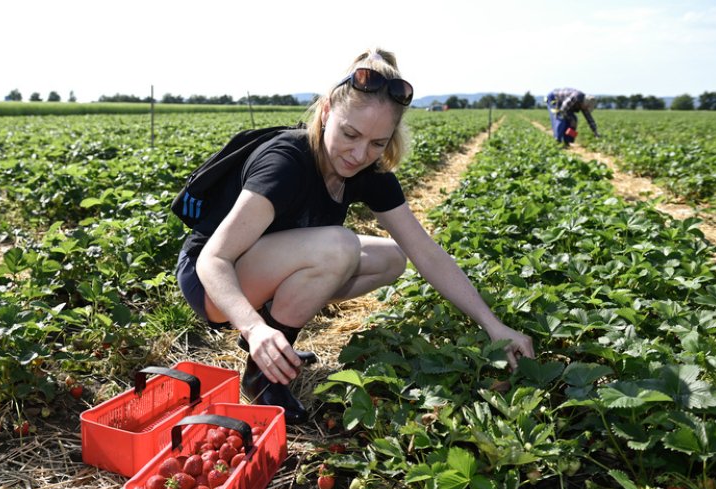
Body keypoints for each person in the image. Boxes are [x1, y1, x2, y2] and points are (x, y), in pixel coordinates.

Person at [176, 48, 535, 424]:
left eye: (378, 143)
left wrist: (493, 325)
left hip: (263, 266)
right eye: (350, 134)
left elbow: (425, 253)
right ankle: (262, 374)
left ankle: (278, 335)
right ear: (327, 110)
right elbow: (213, 259)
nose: (360, 154)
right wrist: (253, 328)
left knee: (392, 257)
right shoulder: (285, 164)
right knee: (339, 246)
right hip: (213, 283)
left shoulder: (369, 171)